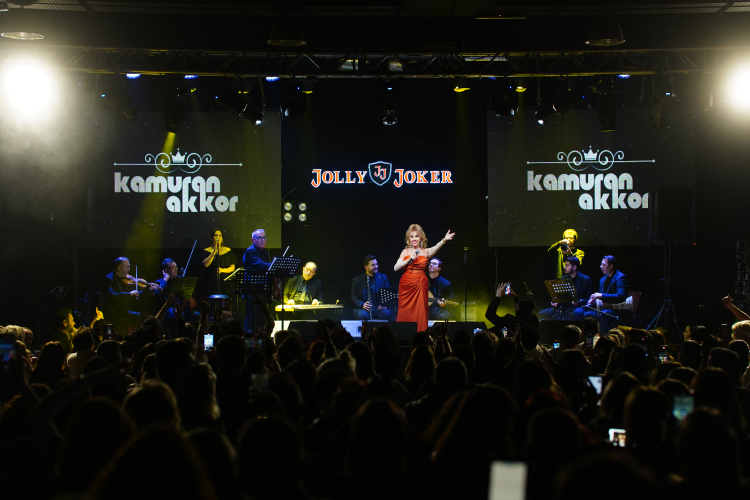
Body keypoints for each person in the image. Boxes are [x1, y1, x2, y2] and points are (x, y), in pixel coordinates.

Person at [394, 224, 455, 332]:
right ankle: (404, 333)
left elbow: (436, 247)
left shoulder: (426, 252)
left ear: (421, 238)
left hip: (420, 284)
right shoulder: (405, 252)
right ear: (408, 239)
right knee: (405, 311)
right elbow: (396, 268)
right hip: (406, 285)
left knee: (419, 311)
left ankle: (419, 334)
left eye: (416, 236)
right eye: (411, 236)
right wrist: (408, 259)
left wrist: (444, 240)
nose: (414, 239)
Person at [102, 257, 153, 336]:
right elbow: (111, 295)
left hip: (125, 310)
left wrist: (148, 290)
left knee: (146, 315)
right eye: (127, 267)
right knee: (142, 316)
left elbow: (135, 293)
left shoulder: (124, 279)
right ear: (119, 268)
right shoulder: (109, 279)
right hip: (115, 311)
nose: (129, 269)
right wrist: (129, 294)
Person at [538, 256, 594, 321]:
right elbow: (560, 295)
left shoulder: (586, 279)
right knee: (542, 313)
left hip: (577, 307)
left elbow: (589, 299)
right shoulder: (564, 278)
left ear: (574, 267)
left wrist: (580, 301)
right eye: (565, 265)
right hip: (564, 307)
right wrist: (556, 301)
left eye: (567, 265)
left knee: (575, 313)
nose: (564, 267)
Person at [584, 255, 627, 333]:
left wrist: (601, 295)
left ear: (611, 266)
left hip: (617, 310)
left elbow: (621, 296)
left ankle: (604, 337)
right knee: (586, 314)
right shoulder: (602, 280)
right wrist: (594, 301)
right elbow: (600, 298)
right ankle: (590, 337)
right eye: (601, 264)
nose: (601, 266)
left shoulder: (620, 277)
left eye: (604, 264)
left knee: (605, 313)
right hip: (604, 309)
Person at [243, 228, 272, 333]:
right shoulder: (250, 251)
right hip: (252, 291)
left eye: (264, 237)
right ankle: (249, 340)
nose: (263, 240)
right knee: (252, 320)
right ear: (253, 240)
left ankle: (260, 339)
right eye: (259, 238)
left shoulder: (265, 253)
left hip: (263, 290)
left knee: (261, 320)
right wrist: (275, 265)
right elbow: (261, 265)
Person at [351, 255, 392, 321]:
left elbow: (387, 295)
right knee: (363, 315)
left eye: (376, 264)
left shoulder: (383, 278)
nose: (376, 266)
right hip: (363, 309)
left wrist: (383, 305)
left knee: (386, 313)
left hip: (378, 309)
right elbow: (354, 297)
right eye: (373, 265)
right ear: (366, 267)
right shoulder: (357, 280)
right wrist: (362, 305)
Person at [201, 229, 237, 297]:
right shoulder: (206, 251)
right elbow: (205, 264)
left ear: (222, 238)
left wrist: (223, 270)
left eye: (220, 235)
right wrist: (214, 252)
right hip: (210, 282)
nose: (218, 237)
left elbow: (232, 267)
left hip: (224, 282)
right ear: (212, 238)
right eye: (216, 235)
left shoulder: (227, 250)